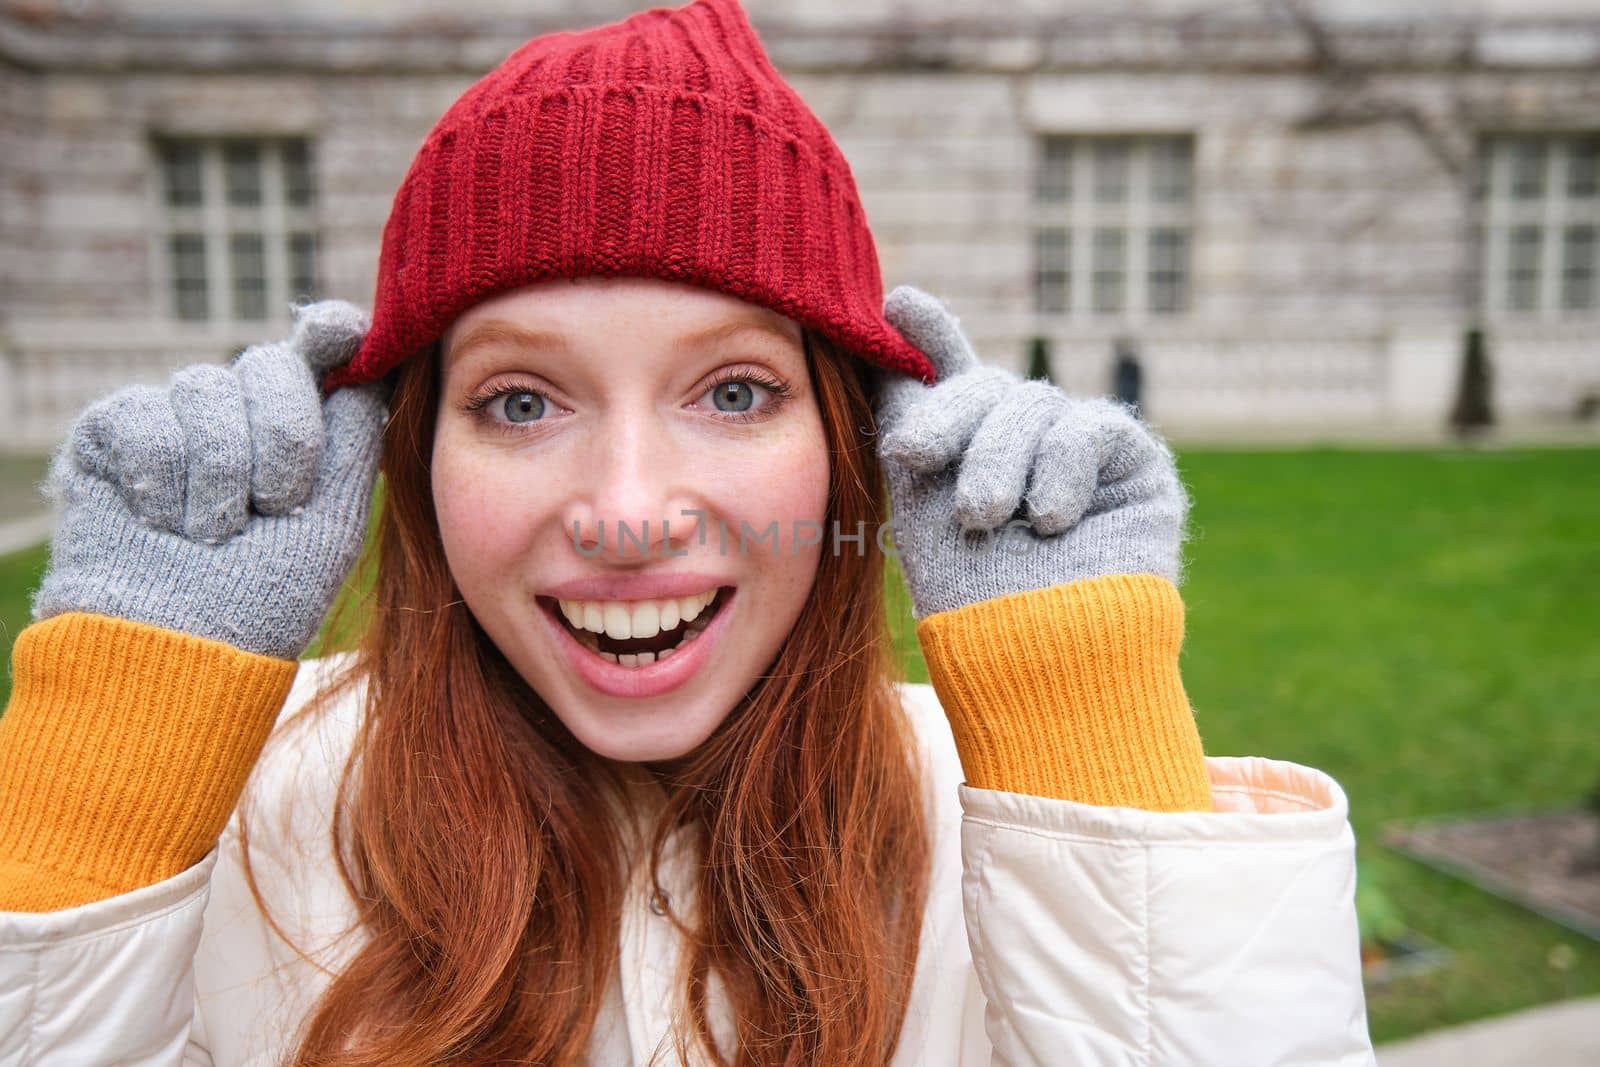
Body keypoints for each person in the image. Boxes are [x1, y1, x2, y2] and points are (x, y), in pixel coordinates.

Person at [0, 1, 1376, 1063]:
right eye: (521, 399)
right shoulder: (229, 815)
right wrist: (103, 780)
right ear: (407, 456)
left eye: (733, 391)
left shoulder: (1024, 814)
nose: (627, 511)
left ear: (856, 445)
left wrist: (1087, 724)